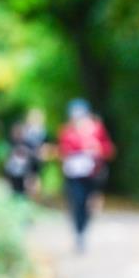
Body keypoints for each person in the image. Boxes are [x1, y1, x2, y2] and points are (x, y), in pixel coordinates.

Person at [58, 98, 115, 252]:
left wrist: (97, 148)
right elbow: (62, 151)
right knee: (77, 201)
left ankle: (83, 230)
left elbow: (108, 149)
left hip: (92, 174)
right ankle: (79, 233)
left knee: (89, 205)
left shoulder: (97, 129)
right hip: (74, 175)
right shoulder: (67, 131)